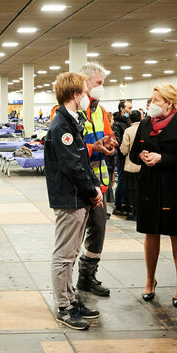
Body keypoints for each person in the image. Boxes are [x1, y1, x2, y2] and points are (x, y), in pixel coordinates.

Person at [130, 83, 177, 307]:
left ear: (169, 103)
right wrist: (143, 156)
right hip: (149, 186)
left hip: (173, 187)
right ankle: (150, 281)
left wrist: (162, 158)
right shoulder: (145, 124)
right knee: (151, 234)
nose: (151, 104)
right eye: (151, 99)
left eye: (156, 100)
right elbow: (132, 154)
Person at [45, 71, 101, 330]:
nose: (88, 97)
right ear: (75, 94)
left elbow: (83, 162)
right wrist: (91, 191)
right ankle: (63, 307)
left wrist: (95, 189)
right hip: (70, 199)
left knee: (72, 252)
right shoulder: (61, 126)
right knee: (64, 254)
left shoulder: (72, 122)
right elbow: (72, 167)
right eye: (85, 92)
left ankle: (70, 298)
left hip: (80, 198)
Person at [74, 62, 119, 297]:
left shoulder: (100, 111)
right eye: (99, 83)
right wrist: (95, 147)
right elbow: (69, 150)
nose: (102, 88)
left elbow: (108, 136)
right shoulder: (67, 110)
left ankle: (87, 277)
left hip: (99, 183)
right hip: (77, 184)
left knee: (98, 230)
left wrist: (110, 145)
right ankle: (64, 286)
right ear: (86, 81)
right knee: (73, 236)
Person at [119, 110, 142, 220]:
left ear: (130, 120)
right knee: (141, 190)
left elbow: (124, 149)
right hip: (143, 166)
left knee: (132, 191)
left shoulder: (128, 131)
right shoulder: (145, 129)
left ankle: (134, 212)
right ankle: (141, 212)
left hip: (131, 166)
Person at [112, 100, 133, 217]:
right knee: (122, 180)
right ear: (122, 109)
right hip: (121, 157)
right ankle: (118, 205)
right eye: (129, 108)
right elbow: (119, 142)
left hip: (127, 157)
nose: (130, 110)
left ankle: (125, 203)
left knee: (126, 182)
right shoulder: (117, 124)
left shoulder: (127, 122)